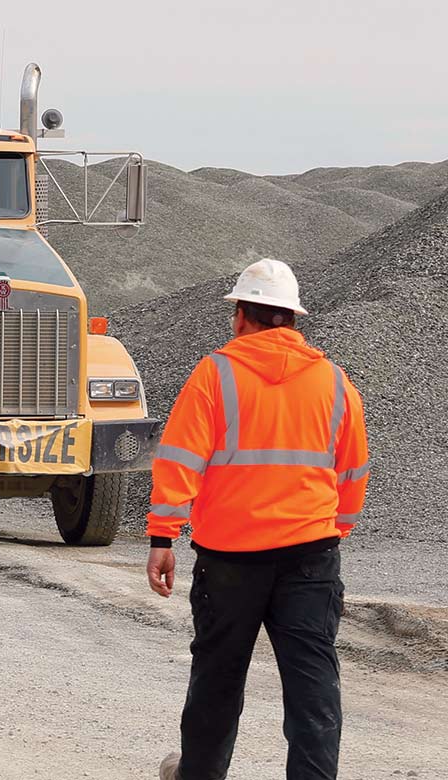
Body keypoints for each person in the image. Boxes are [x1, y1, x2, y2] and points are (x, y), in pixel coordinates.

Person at [145, 258, 369, 780]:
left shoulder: (215, 374)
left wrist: (163, 536)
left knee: (218, 680)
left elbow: (179, 458)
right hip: (310, 555)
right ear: (291, 319)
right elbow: (353, 470)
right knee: (312, 684)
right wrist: (334, 532)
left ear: (242, 315)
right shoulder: (335, 383)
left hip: (229, 558)